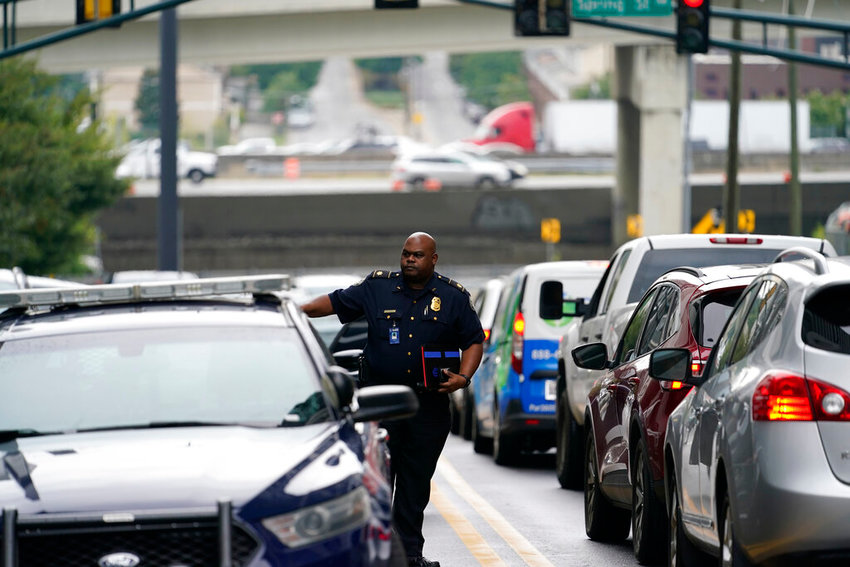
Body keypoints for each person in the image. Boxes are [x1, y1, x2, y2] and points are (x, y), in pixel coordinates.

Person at [301, 232, 484, 567]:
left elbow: (473, 340)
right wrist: (294, 312)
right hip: (380, 405)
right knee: (377, 482)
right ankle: (373, 554)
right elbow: (332, 303)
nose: (409, 260)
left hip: (426, 407)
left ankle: (410, 556)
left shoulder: (452, 296)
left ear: (433, 259)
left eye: (416, 255)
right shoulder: (377, 287)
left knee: (414, 486)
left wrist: (464, 378)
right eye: (405, 254)